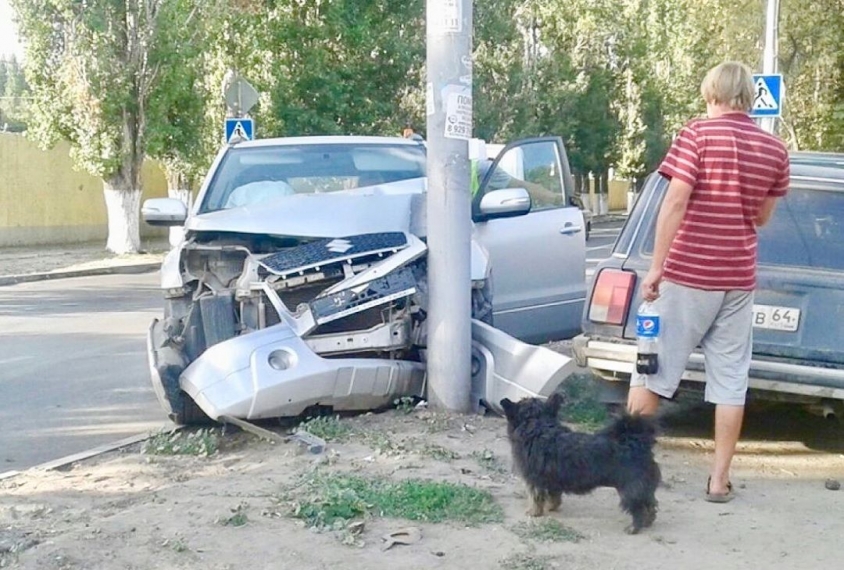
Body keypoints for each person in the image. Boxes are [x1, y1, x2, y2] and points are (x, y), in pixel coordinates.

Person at [626, 61, 790, 503]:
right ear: (748, 98)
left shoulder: (696, 135)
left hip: (688, 274)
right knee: (731, 380)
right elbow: (761, 217)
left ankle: (626, 467)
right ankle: (718, 481)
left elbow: (675, 201)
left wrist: (657, 267)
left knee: (652, 369)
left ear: (711, 91)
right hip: (738, 277)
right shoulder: (775, 150)